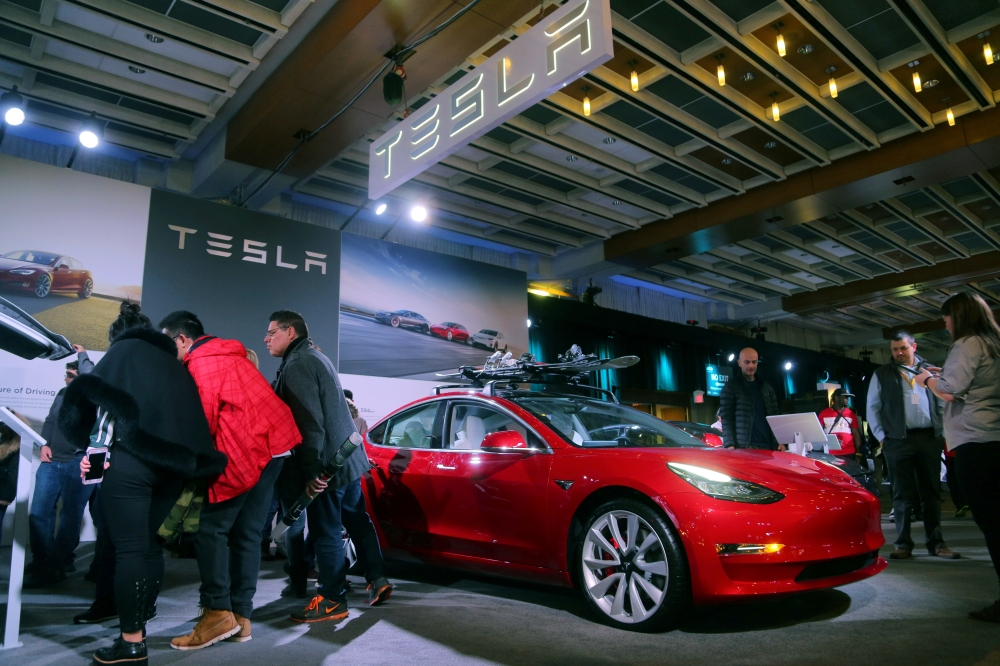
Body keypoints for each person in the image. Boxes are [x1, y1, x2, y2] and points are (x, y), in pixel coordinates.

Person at [61, 302, 226, 665]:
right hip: (173, 468)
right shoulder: (174, 365)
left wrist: (94, 460)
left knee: (129, 551)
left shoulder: (123, 354)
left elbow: (107, 414)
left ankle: (132, 642)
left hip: (131, 463)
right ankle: (140, 620)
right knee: (149, 548)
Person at [159, 311, 302, 649]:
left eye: (168, 343)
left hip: (248, 449)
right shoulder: (227, 354)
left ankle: (216, 613)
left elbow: (204, 423)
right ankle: (241, 618)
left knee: (211, 529)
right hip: (276, 446)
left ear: (182, 339)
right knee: (249, 534)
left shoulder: (202, 363)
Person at [266, 310, 391, 622]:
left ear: (290, 332)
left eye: (272, 333)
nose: (266, 338)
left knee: (326, 532)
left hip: (327, 466)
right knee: (357, 521)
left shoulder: (298, 363)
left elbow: (310, 423)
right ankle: (378, 578)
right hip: (347, 460)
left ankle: (332, 598)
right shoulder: (315, 356)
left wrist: (312, 473)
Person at [915, 293, 1000, 622]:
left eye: (947, 317)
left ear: (959, 317)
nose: (945, 323)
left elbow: (949, 390)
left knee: (992, 524)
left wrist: (928, 379)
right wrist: (944, 375)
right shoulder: (993, 342)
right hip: (995, 439)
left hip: (975, 443)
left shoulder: (967, 344)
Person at [866, 331, 958, 561]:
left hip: (929, 438)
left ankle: (936, 543)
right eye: (895, 349)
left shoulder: (929, 371)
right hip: (897, 441)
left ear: (914, 347)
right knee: (901, 495)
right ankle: (903, 544)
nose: (899, 353)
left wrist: (943, 433)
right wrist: (882, 437)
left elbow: (941, 403)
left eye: (903, 348)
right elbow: (873, 408)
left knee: (931, 492)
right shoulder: (882, 374)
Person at [25, 356, 95, 588]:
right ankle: (43, 561)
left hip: (78, 461)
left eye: (71, 376)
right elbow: (49, 421)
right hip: (51, 461)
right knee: (38, 512)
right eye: (66, 375)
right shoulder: (61, 394)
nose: (66, 379)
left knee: (70, 516)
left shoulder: (93, 399)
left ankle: (57, 564)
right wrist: (44, 443)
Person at [719, 348, 784, 451]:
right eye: (747, 362)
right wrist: (729, 444)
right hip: (744, 447)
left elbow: (775, 416)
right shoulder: (730, 387)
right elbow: (726, 418)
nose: (751, 366)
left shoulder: (767, 388)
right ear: (739, 363)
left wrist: (780, 440)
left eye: (754, 362)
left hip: (769, 446)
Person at [818, 388, 863, 461]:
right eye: (845, 397)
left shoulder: (851, 414)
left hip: (849, 452)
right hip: (830, 453)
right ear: (837, 398)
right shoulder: (823, 414)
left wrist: (858, 454)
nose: (847, 399)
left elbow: (856, 434)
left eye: (848, 397)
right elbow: (819, 433)